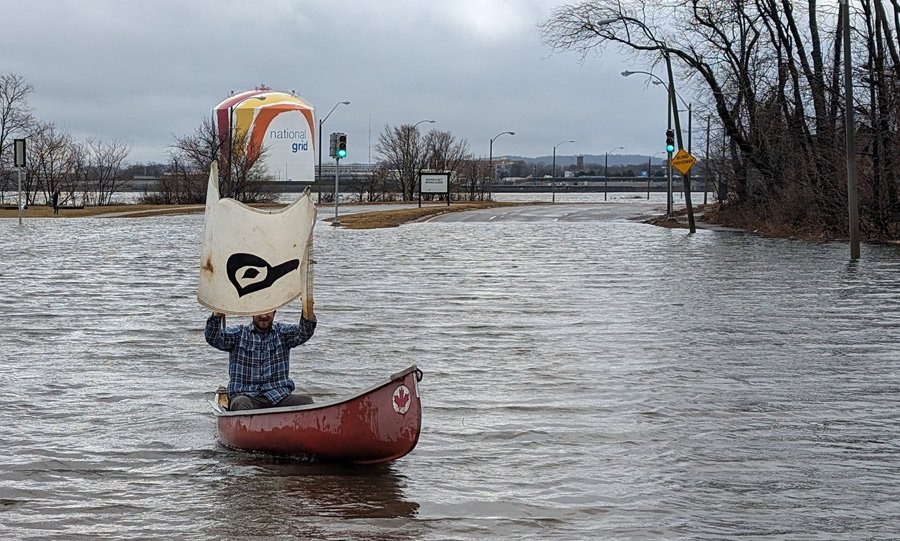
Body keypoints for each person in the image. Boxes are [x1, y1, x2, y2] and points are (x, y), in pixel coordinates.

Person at [205, 309, 316, 411]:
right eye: (260, 312)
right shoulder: (238, 334)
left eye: (268, 312)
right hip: (247, 396)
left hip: (278, 397)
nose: (264, 316)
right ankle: (247, 430)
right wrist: (217, 314)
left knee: (305, 401)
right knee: (241, 403)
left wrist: (308, 307)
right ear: (252, 313)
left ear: (274, 312)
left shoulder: (282, 333)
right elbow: (213, 338)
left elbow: (304, 332)